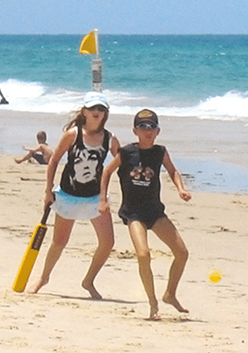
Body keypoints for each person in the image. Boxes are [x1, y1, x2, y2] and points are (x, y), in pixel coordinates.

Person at [100, 109, 191, 321]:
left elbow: (172, 170)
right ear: (135, 130)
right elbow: (106, 172)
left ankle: (170, 294)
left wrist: (180, 188)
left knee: (182, 253)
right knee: (143, 254)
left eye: (151, 127)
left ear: (158, 131)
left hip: (155, 212)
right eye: (142, 127)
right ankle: (153, 303)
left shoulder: (160, 152)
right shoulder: (126, 152)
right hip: (134, 213)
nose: (147, 131)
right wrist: (103, 199)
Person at [27, 92, 120, 299]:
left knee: (107, 243)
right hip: (68, 196)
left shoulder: (109, 139)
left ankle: (88, 281)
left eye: (101, 109)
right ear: (84, 111)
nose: (97, 112)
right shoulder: (73, 134)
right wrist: (48, 191)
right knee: (59, 242)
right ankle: (43, 278)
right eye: (93, 109)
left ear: (106, 113)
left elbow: (122, 161)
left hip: (95, 198)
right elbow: (54, 161)